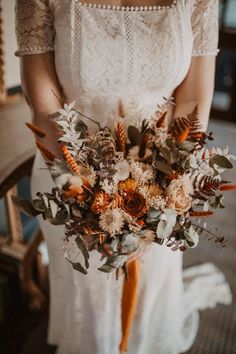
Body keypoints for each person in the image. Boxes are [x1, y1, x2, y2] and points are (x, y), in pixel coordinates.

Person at [15, 1, 232, 353]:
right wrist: (85, 199)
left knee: (149, 284)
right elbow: (44, 105)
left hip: (161, 172)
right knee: (89, 297)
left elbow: (193, 99)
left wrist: (165, 193)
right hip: (68, 171)